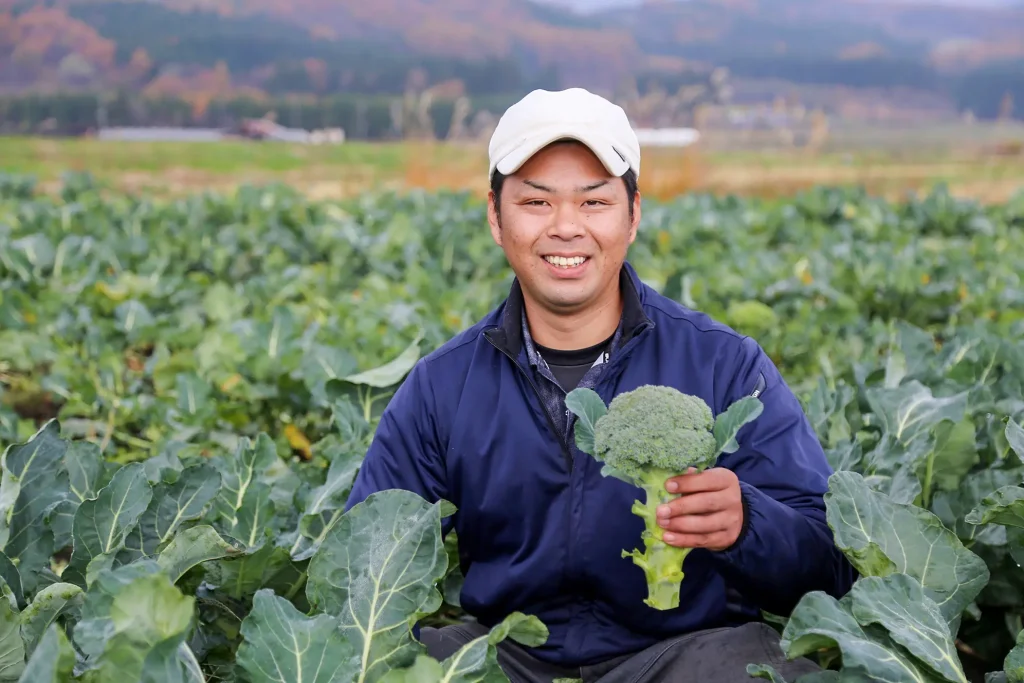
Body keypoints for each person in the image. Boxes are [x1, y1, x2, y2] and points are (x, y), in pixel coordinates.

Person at [344, 87, 856, 682]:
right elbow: (367, 566)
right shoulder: (442, 387)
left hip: (684, 656)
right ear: (495, 215)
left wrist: (749, 523)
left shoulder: (724, 366)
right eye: (536, 202)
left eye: (594, 203)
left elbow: (834, 564)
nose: (566, 228)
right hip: (507, 656)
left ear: (633, 215)